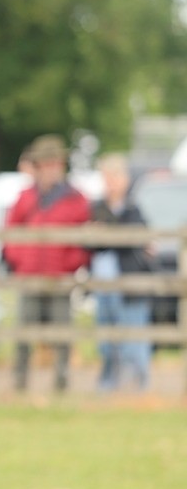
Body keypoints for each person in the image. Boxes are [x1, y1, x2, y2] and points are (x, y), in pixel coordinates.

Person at [2, 134, 91, 392]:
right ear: (38, 167)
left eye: (54, 163)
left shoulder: (76, 199)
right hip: (29, 274)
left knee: (62, 334)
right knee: (23, 333)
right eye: (45, 164)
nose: (50, 169)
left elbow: (82, 240)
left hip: (59, 275)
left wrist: (69, 264)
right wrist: (20, 260)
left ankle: (61, 383)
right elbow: (11, 233)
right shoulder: (25, 198)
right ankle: (19, 383)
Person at [90, 154, 153, 391]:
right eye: (106, 177)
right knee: (106, 341)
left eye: (114, 176)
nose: (110, 182)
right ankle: (108, 386)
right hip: (103, 284)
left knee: (132, 340)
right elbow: (90, 242)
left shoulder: (133, 208)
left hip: (128, 284)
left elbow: (132, 240)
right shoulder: (97, 207)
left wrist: (106, 233)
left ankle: (137, 388)